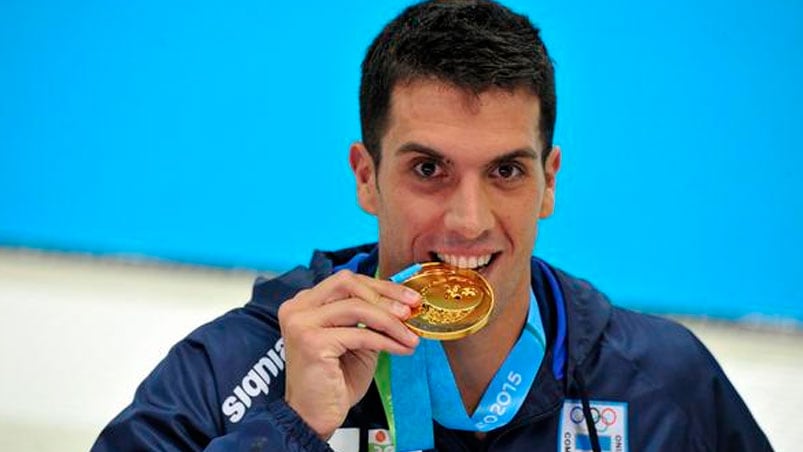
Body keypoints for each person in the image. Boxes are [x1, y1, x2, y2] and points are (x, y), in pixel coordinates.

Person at [92, 1, 772, 451]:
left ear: (548, 182)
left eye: (505, 172)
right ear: (366, 176)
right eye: (427, 170)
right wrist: (292, 427)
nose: (467, 221)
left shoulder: (658, 379)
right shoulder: (238, 367)